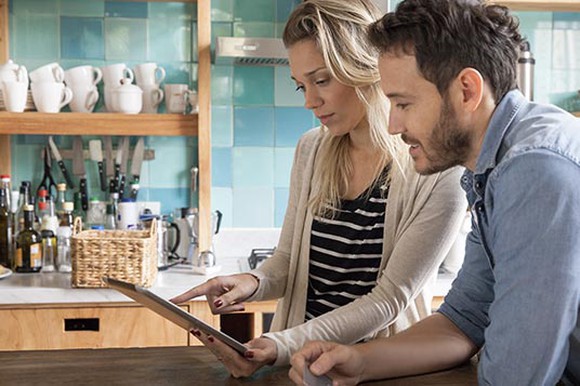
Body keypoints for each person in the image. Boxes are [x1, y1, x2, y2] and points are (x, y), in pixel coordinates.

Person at [289, 0, 580, 385]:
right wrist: (360, 360)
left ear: (466, 91)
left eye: (403, 103)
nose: (393, 125)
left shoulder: (536, 169)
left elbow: (517, 375)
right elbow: (464, 319)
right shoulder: (493, 167)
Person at [171, 0, 467, 378]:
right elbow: (286, 261)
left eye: (322, 80)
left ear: (364, 67)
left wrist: (281, 343)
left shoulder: (438, 172)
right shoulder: (311, 149)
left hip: (378, 371)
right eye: (301, 86)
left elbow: (388, 301)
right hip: (298, 367)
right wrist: (252, 282)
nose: (310, 101)